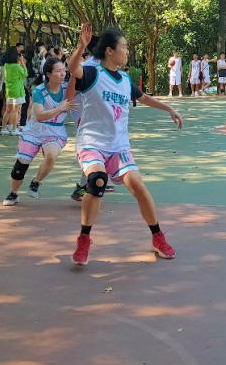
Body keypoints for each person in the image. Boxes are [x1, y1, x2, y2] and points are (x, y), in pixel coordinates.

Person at [66, 24, 183, 266]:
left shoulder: (125, 80)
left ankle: (157, 237)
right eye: (124, 47)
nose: (127, 51)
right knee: (97, 180)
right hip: (92, 143)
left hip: (118, 146)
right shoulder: (92, 74)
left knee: (138, 185)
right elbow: (72, 68)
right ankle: (84, 239)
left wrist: (169, 108)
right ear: (110, 51)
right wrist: (81, 46)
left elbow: (142, 97)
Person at [3, 58, 76, 206]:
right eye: (58, 71)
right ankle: (13, 193)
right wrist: (60, 108)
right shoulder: (39, 91)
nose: (63, 73)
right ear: (48, 74)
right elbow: (40, 116)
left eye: (64, 70)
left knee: (51, 155)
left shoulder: (67, 88)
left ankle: (36, 182)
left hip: (55, 130)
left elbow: (79, 74)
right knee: (21, 164)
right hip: (35, 130)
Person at [2, 47, 28, 135]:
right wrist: (22, 63)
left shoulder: (6, 65)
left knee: (8, 110)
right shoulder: (16, 66)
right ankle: (14, 129)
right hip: (17, 90)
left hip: (9, 90)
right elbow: (25, 74)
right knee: (16, 110)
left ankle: (4, 128)